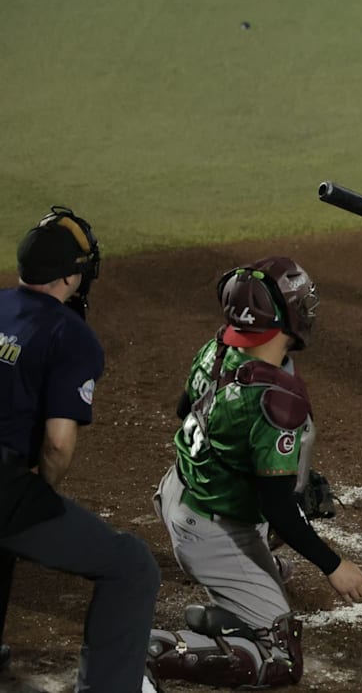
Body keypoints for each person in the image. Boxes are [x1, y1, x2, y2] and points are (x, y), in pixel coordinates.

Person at [147, 257, 362, 688]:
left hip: (178, 488)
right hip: (210, 529)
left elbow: (184, 410)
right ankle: (151, 652)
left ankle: (239, 593)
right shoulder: (275, 399)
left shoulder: (218, 349)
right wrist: (333, 565)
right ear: (285, 318)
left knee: (289, 483)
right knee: (280, 661)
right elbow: (277, 506)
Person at [0, 207, 162, 692]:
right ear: (71, 276)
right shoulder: (71, 336)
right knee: (132, 566)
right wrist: (39, 494)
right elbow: (57, 442)